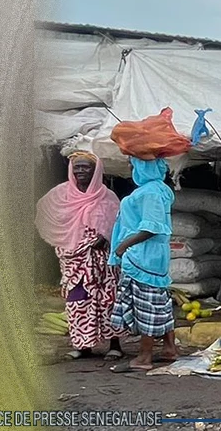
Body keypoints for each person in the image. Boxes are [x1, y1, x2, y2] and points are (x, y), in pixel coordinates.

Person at [35, 151, 126, 361]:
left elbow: (119, 224)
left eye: (86, 167)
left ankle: (115, 345)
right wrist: (63, 240)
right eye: (77, 167)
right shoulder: (61, 194)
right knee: (76, 301)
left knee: (108, 300)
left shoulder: (107, 197)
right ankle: (82, 346)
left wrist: (106, 238)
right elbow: (45, 212)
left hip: (103, 261)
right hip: (74, 260)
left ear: (96, 171)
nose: (80, 171)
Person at [108, 157, 177, 372]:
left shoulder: (151, 193)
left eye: (134, 164)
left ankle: (144, 357)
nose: (130, 168)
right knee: (159, 303)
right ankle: (169, 348)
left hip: (143, 257)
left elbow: (151, 227)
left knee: (146, 306)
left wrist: (121, 248)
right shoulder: (158, 189)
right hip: (151, 256)